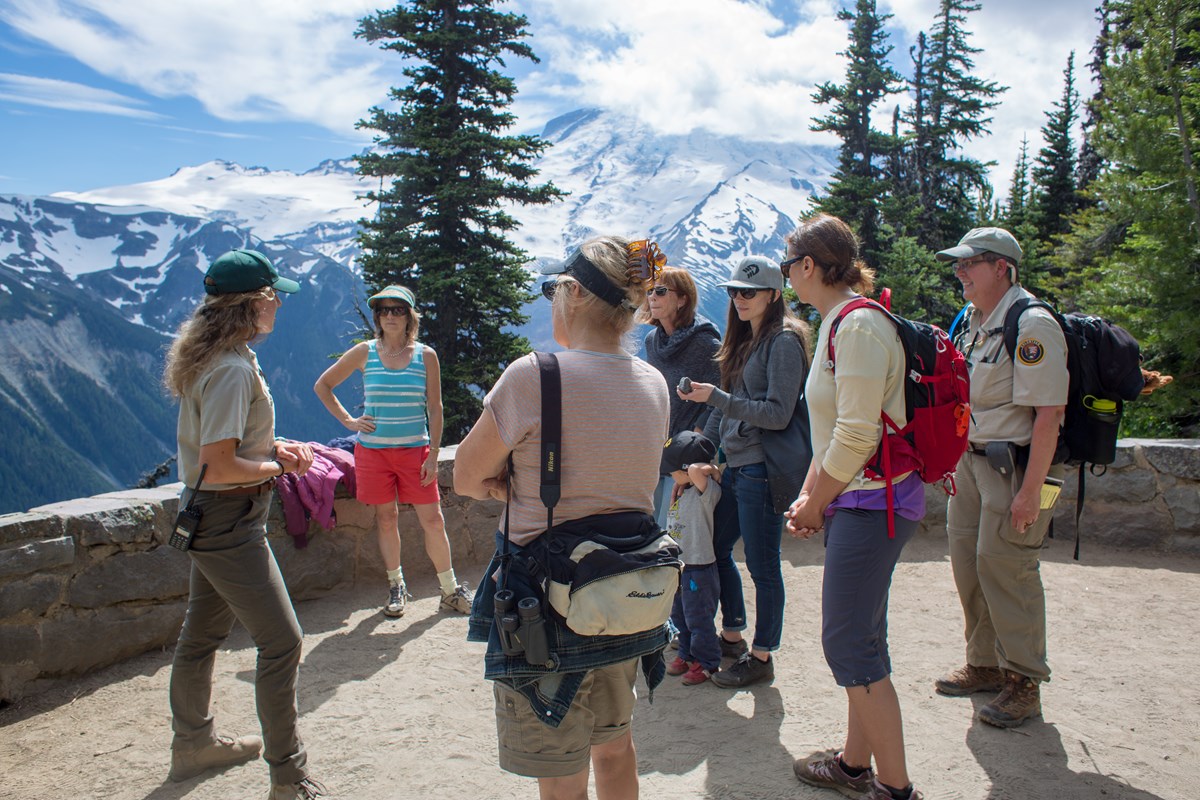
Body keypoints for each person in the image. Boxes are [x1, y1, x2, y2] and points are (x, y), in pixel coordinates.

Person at [454, 236, 670, 800]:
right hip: (623, 594)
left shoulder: (534, 376)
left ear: (572, 294)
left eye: (553, 290)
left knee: (563, 779)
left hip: (544, 608)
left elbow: (466, 478)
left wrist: (506, 483)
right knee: (615, 749)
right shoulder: (653, 382)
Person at [163, 248, 325, 800]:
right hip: (229, 518)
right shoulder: (232, 369)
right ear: (252, 303)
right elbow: (221, 463)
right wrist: (281, 466)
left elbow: (224, 449)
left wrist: (273, 448)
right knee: (283, 642)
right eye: (273, 295)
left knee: (201, 634)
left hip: (209, 513)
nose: (279, 303)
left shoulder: (218, 355)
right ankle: (289, 776)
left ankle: (193, 746)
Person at [783, 214, 925, 800]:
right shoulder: (839, 321)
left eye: (788, 264)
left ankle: (895, 789)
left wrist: (816, 502)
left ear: (808, 266)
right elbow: (835, 428)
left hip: (873, 504)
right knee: (863, 639)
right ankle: (852, 765)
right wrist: (811, 492)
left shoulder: (858, 326)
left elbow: (860, 434)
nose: (787, 274)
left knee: (848, 643)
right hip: (862, 500)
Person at [933, 227, 1067, 728]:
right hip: (971, 463)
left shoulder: (1031, 324)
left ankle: (1024, 680)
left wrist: (1031, 493)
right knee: (969, 564)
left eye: (970, 263)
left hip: (1016, 467)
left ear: (1002, 268)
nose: (960, 272)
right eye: (959, 263)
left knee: (1009, 568)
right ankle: (985, 663)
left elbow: (1049, 415)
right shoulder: (972, 320)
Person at [678, 255, 810, 688]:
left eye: (748, 292)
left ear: (773, 294)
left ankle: (762, 654)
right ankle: (733, 634)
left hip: (762, 468)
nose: (739, 298)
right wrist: (705, 453)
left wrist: (716, 398)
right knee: (717, 549)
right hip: (736, 466)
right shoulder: (748, 339)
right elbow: (726, 407)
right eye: (734, 290)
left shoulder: (784, 341)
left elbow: (777, 413)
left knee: (763, 565)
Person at [314, 285, 472, 618]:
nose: (389, 316)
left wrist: (433, 455)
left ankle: (449, 590)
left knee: (433, 520)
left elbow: (435, 408)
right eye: (383, 310)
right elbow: (323, 385)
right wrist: (348, 421)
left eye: (397, 309)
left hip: (416, 452)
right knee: (386, 519)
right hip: (373, 454)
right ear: (377, 316)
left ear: (409, 316)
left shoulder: (426, 355)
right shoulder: (364, 352)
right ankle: (396, 586)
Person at [638, 267, 721, 527]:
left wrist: (696, 441)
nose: (652, 297)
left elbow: (720, 397)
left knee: (674, 531)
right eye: (649, 291)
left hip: (686, 456)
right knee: (650, 527)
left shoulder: (706, 344)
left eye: (661, 291)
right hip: (655, 449)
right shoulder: (652, 341)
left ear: (683, 299)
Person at [661, 431, 723, 686]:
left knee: (699, 618)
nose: (669, 474)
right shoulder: (683, 491)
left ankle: (707, 662)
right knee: (679, 615)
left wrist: (711, 469)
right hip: (681, 566)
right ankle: (686, 654)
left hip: (700, 567)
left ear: (686, 469)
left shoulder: (706, 491)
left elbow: (697, 470)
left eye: (674, 469)